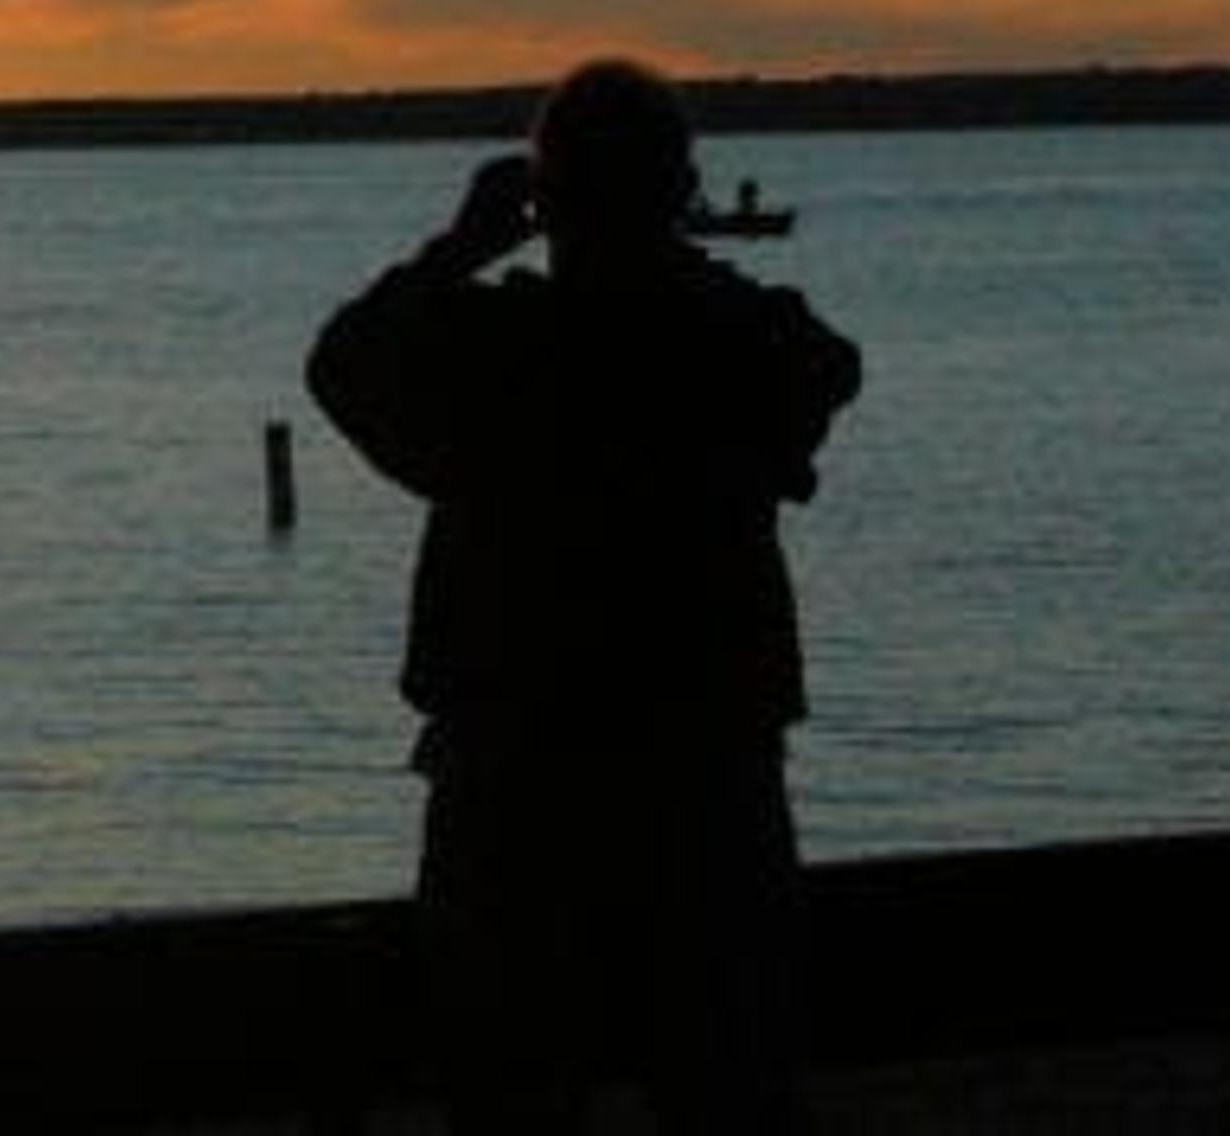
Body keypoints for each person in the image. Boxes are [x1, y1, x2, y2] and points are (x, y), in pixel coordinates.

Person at [307, 59, 859, 1134]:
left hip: (515, 807)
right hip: (708, 797)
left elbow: (344, 365)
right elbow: (826, 364)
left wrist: (458, 250)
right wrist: (675, 263)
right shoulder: (732, 348)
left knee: (512, 1086)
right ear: (681, 191)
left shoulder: (493, 355)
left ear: (543, 202)